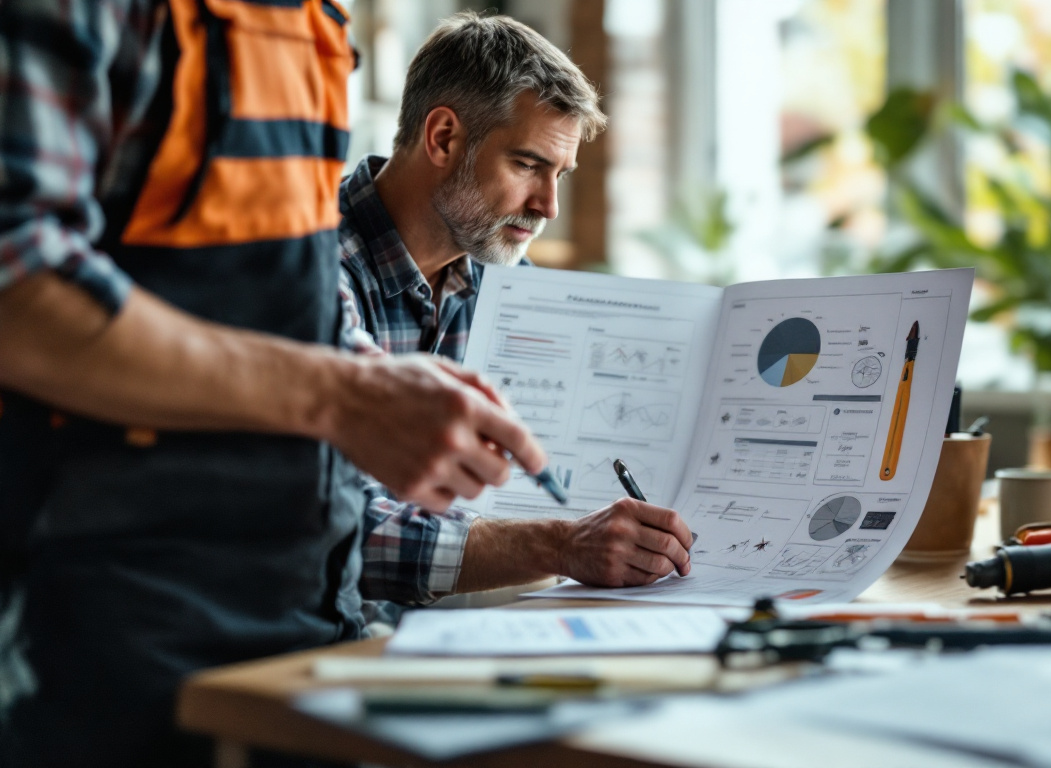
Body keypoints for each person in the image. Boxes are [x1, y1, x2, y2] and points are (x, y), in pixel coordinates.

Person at [0, 1, 540, 765]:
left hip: (302, 619)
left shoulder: (314, 22)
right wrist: (344, 395)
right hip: (98, 627)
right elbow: (16, 284)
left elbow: (283, 294)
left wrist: (381, 385)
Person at [340, 12, 693, 609]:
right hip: (319, 648)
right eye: (528, 165)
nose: (549, 206)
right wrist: (557, 546)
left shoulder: (509, 287)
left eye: (560, 174)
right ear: (444, 138)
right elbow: (336, 525)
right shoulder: (310, 272)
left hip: (468, 631)